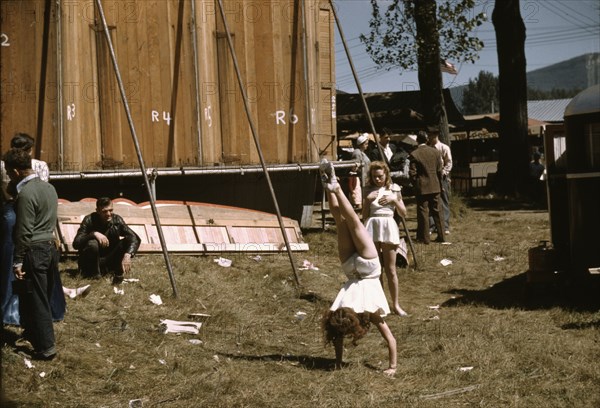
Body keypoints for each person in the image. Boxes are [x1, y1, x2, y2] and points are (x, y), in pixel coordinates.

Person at [319, 159, 397, 376]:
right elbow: (390, 338)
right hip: (357, 268)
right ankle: (331, 186)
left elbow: (337, 336)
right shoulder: (364, 312)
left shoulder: (349, 313)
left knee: (346, 221)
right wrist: (392, 368)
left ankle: (331, 186)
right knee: (346, 220)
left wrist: (338, 361)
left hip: (361, 269)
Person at [1, 134, 88, 327]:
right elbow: (42, 190)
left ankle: (10, 308)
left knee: (12, 256)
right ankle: (51, 307)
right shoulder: (40, 166)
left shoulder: (3, 165)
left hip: (11, 212)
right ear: (30, 150)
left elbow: (7, 192)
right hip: (35, 214)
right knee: (40, 263)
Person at [4, 148, 59, 359]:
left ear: (17, 171)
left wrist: (17, 261)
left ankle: (46, 348)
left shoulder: (25, 194)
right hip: (49, 248)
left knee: (38, 300)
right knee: (38, 296)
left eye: (9, 173)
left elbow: (24, 231)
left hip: (34, 251)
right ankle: (33, 334)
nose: (9, 176)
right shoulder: (49, 188)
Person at [362, 161, 408, 316]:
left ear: (386, 174)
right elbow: (364, 215)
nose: (377, 179)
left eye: (380, 176)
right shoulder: (368, 190)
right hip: (372, 226)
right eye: (374, 176)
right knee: (376, 268)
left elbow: (403, 213)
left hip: (388, 225)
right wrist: (367, 200)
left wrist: (394, 200)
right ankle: (379, 304)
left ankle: (396, 305)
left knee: (391, 269)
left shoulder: (394, 189)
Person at [73, 197, 141, 284]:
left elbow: (135, 238)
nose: (108, 214)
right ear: (97, 211)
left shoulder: (117, 219)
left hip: (109, 259)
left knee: (125, 241)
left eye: (111, 210)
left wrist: (128, 255)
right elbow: (76, 243)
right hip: (91, 263)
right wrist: (93, 234)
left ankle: (114, 271)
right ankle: (94, 276)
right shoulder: (89, 220)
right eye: (104, 211)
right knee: (92, 244)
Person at [409, 131, 445, 244]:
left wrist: (415, 184)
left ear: (417, 140)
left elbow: (412, 173)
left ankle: (425, 238)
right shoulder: (435, 152)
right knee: (438, 212)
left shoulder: (414, 154)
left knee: (423, 213)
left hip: (422, 187)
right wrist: (440, 184)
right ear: (427, 140)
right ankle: (442, 236)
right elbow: (440, 171)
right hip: (435, 186)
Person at [426, 128, 452, 234]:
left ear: (435, 135)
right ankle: (432, 225)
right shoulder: (428, 148)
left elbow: (449, 162)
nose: (429, 137)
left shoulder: (444, 148)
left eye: (431, 135)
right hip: (431, 177)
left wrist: (444, 172)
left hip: (441, 177)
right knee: (431, 201)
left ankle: (445, 225)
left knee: (444, 201)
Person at [349, 133, 371, 208]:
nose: (367, 145)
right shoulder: (357, 152)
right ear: (361, 144)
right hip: (361, 178)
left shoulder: (362, 153)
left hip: (366, 177)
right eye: (366, 144)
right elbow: (356, 166)